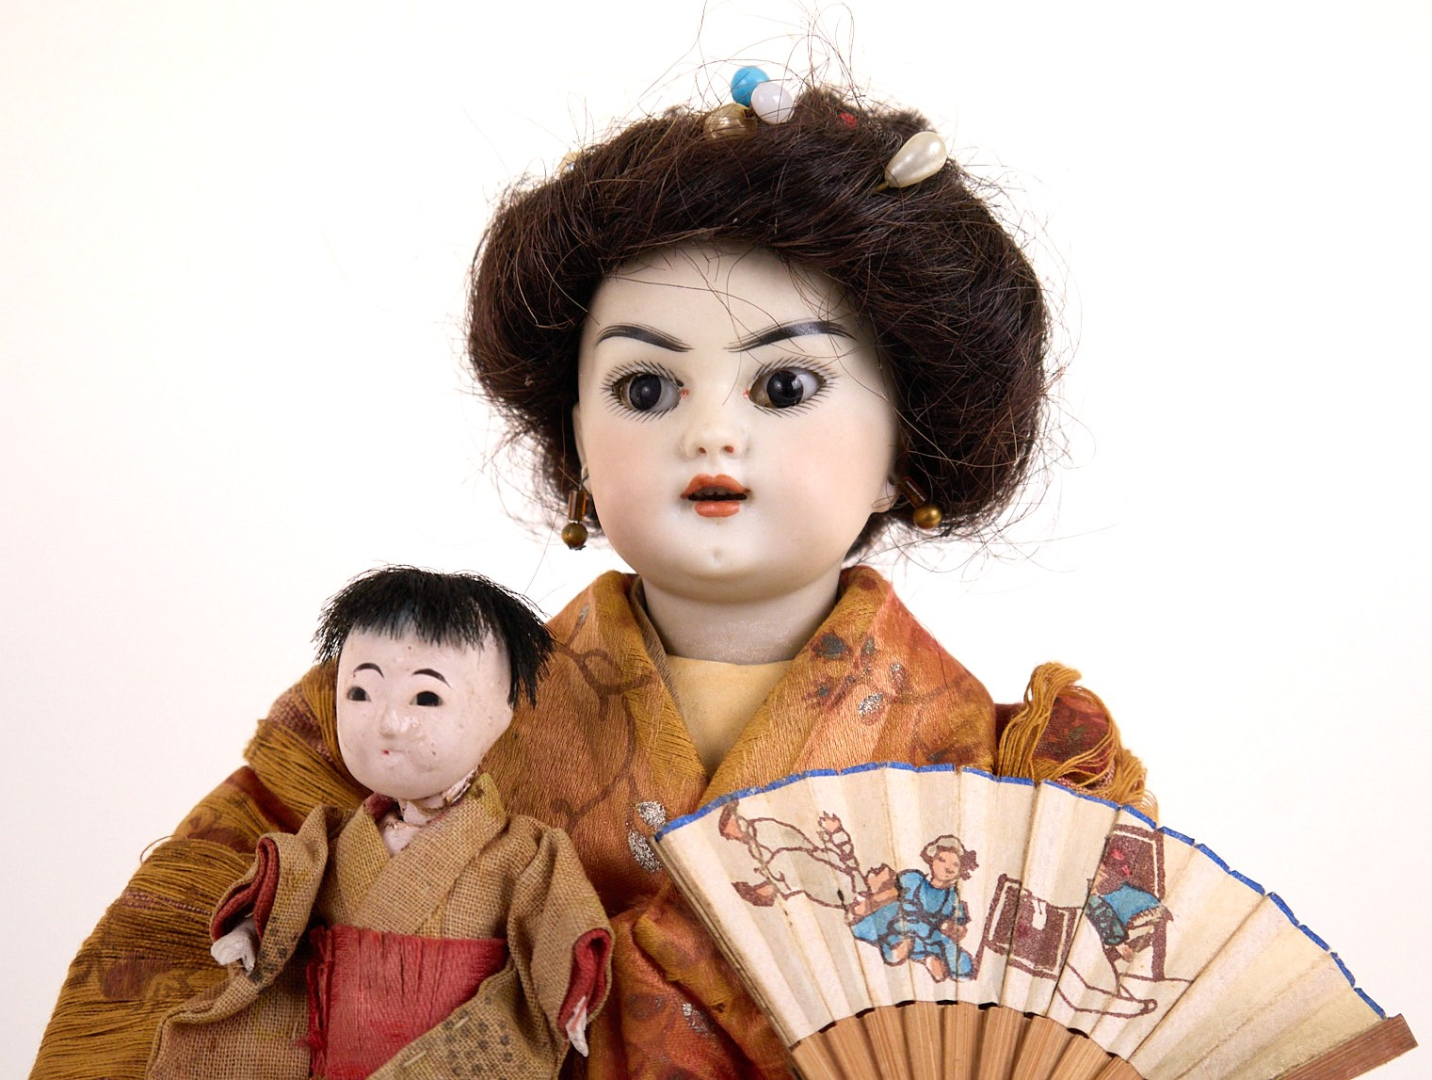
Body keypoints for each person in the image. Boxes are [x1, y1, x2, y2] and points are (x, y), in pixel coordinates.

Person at [32, 71, 1149, 1079]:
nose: (711, 434)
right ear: (573, 440)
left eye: (785, 387)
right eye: (645, 390)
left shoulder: (1019, 784)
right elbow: (178, 978)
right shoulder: (402, 713)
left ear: (905, 441)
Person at [145, 567, 612, 1079]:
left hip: (447, 1059)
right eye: (360, 693)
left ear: (502, 711)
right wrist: (251, 930)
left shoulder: (521, 851)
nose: (388, 722)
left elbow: (560, 921)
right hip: (335, 1051)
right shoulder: (331, 839)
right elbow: (288, 888)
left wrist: (569, 997)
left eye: (426, 698)